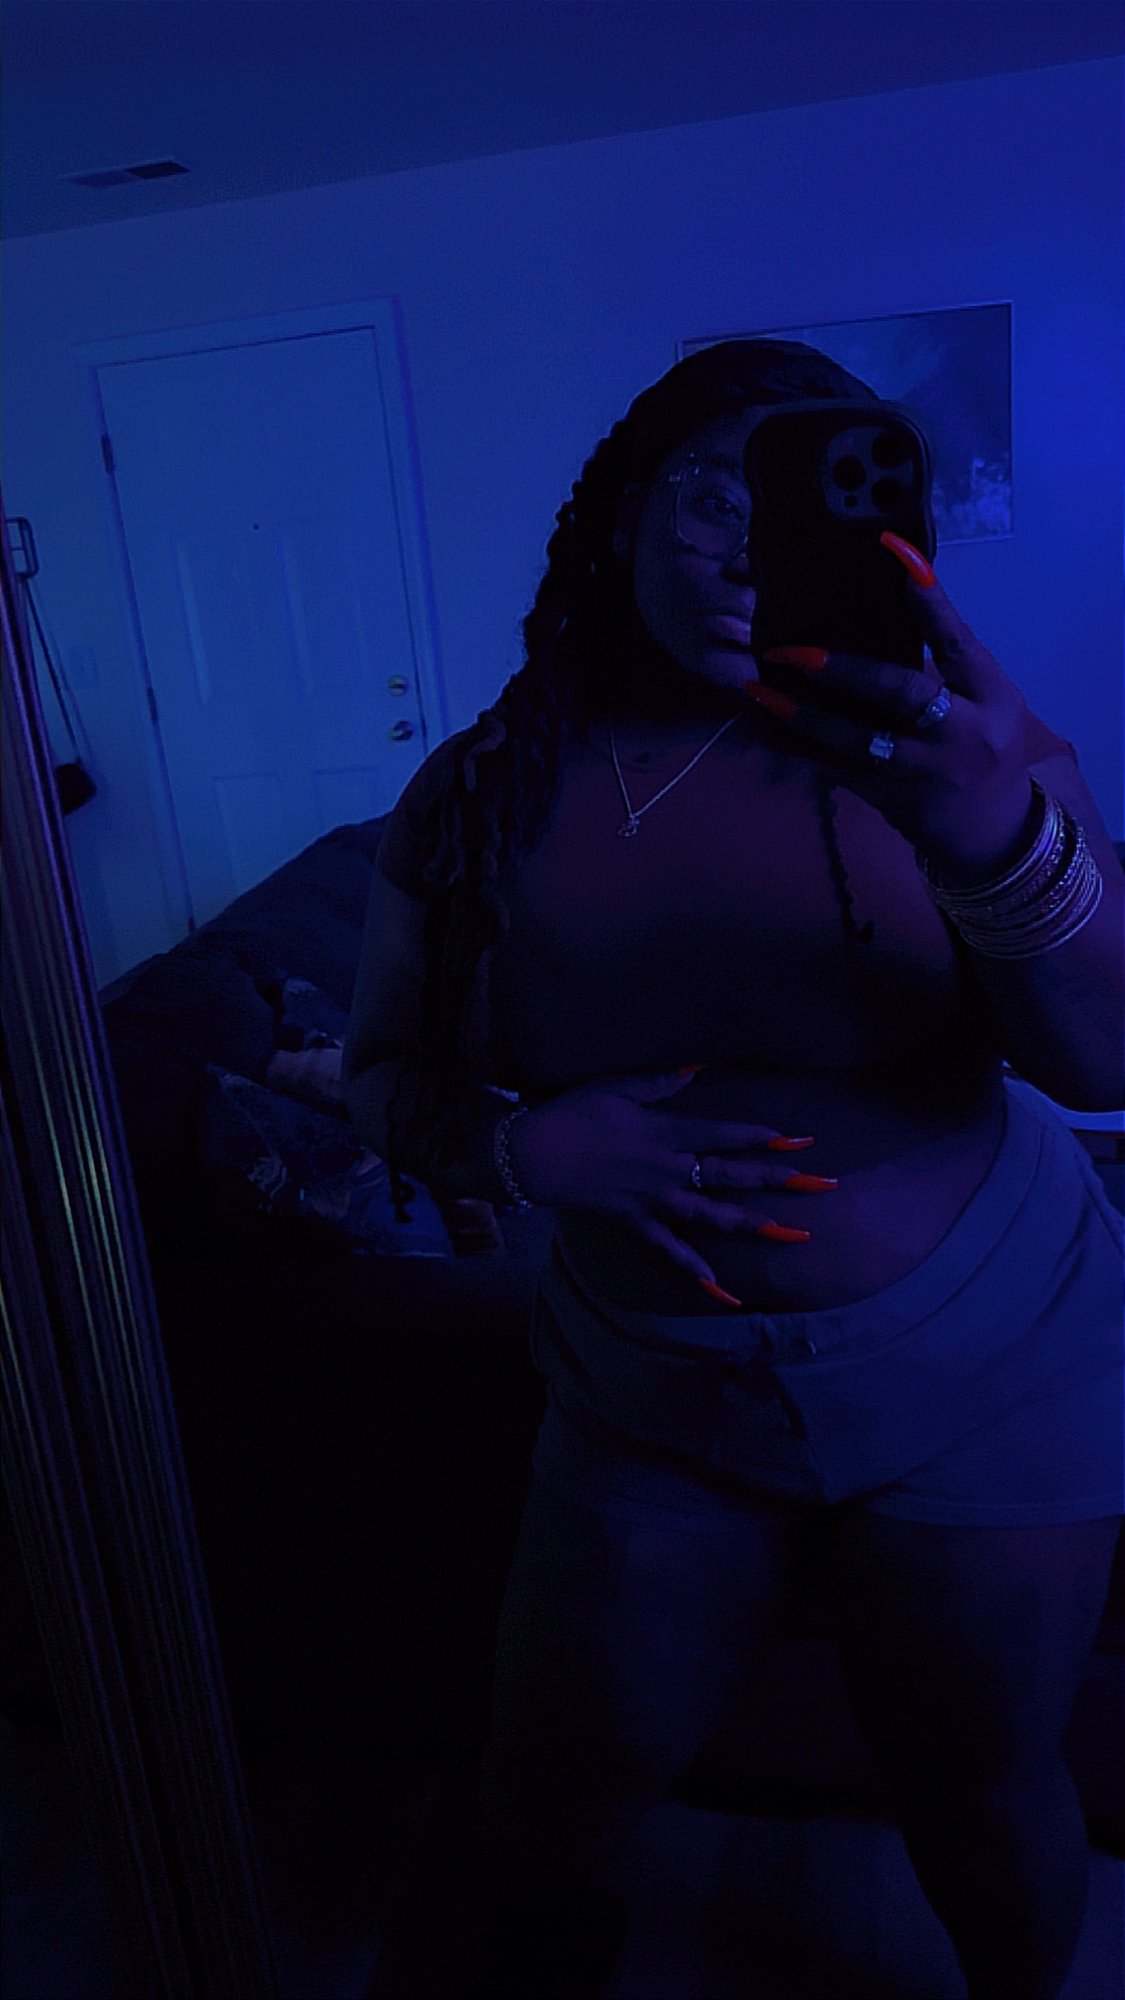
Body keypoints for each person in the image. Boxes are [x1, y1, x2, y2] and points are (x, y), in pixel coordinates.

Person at [343, 341, 1124, 2000]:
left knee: (979, 1794)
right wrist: (516, 1145)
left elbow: (1105, 1066)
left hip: (991, 1369)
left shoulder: (963, 753)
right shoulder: (475, 794)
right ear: (626, 514)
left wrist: (994, 835)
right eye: (715, 497)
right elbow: (378, 1070)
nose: (746, 555)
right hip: (650, 1399)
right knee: (550, 1800)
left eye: (798, 512)